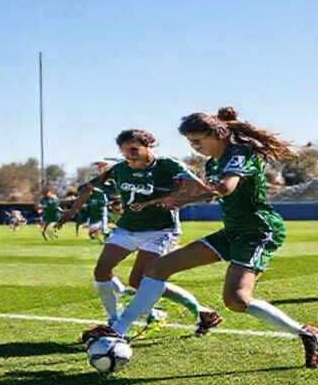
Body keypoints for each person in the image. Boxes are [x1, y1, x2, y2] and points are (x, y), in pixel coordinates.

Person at [81, 108, 318, 369]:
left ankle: (308, 333)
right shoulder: (212, 163)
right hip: (231, 232)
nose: (195, 147)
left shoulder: (239, 155)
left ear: (218, 133)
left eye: (198, 141)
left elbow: (224, 188)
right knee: (157, 268)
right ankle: (119, 329)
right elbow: (209, 193)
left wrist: (180, 200)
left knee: (236, 301)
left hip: (257, 232)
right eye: (190, 143)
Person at [57, 129, 223, 336]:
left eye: (133, 149)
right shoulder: (120, 169)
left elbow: (206, 192)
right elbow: (87, 188)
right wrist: (70, 212)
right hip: (127, 228)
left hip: (160, 231)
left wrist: (178, 199)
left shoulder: (168, 166)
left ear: (148, 146)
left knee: (140, 281)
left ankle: (199, 311)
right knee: (101, 271)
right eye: (124, 151)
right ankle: (114, 322)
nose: (128, 155)